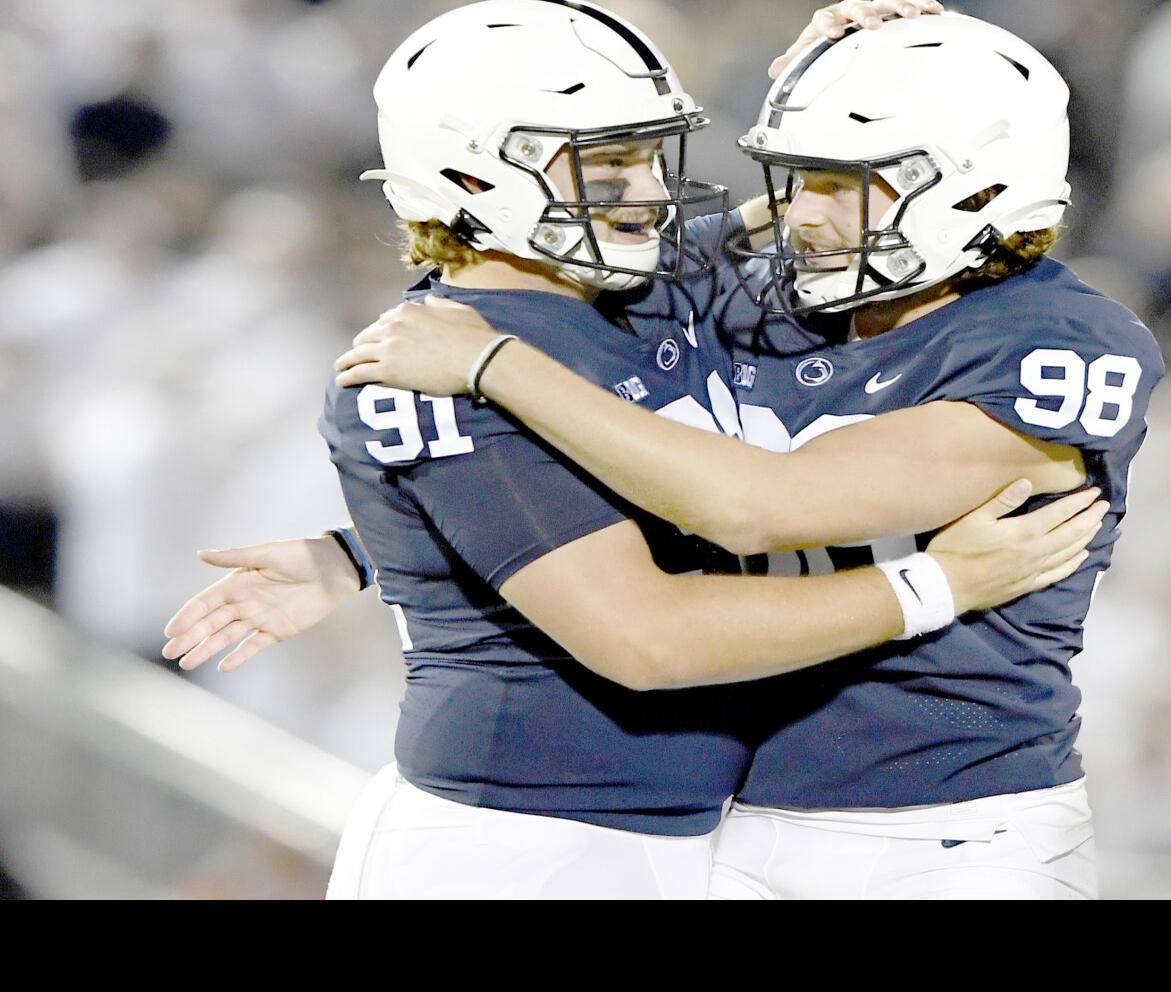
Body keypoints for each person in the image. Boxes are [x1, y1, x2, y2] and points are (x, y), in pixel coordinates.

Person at [163, 0, 1103, 899]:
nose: (650, 191)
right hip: (516, 838)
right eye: (606, 166)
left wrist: (849, 80)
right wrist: (937, 586)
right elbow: (645, 639)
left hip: (675, 837)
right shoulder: (426, 363)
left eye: (652, 156)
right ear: (472, 175)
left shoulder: (635, 291)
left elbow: (817, 225)